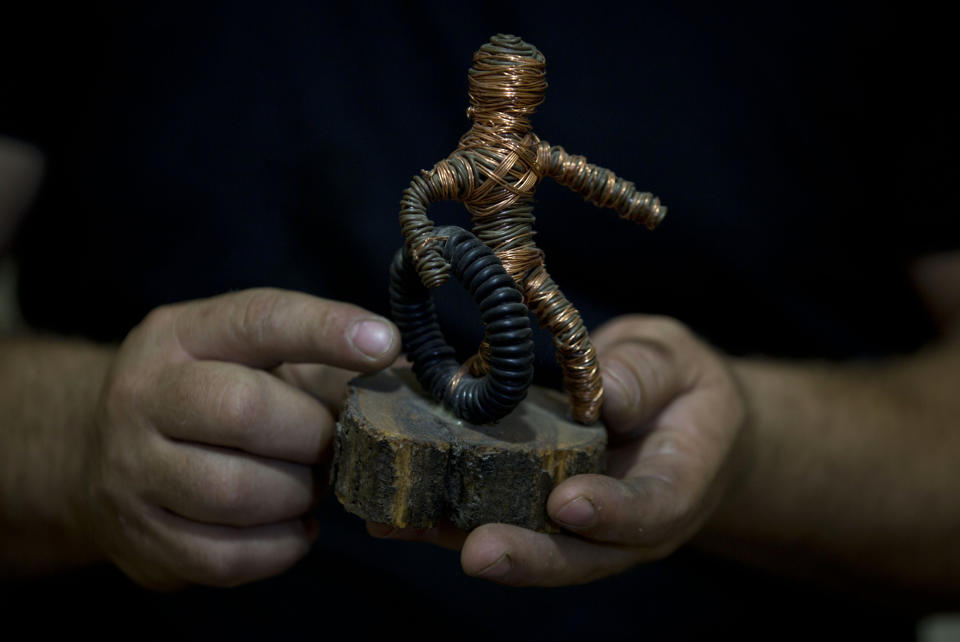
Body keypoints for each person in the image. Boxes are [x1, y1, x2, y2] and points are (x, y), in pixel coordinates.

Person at [1, 2, 956, 638]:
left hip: (525, 280)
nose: (507, 110)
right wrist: (76, 440)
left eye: (518, 100)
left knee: (567, 345)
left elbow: (581, 179)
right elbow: (429, 189)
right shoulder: (468, 158)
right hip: (439, 300)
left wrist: (750, 450)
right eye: (497, 98)